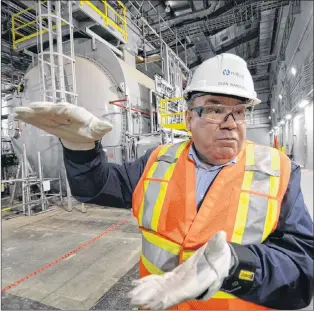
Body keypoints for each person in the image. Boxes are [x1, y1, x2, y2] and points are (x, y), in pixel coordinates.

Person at [14, 53, 313, 310]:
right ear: (188, 119)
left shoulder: (278, 172)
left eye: (238, 111)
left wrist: (237, 265)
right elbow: (96, 188)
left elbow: (303, 272)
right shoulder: (158, 161)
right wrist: (80, 150)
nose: (231, 123)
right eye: (215, 109)